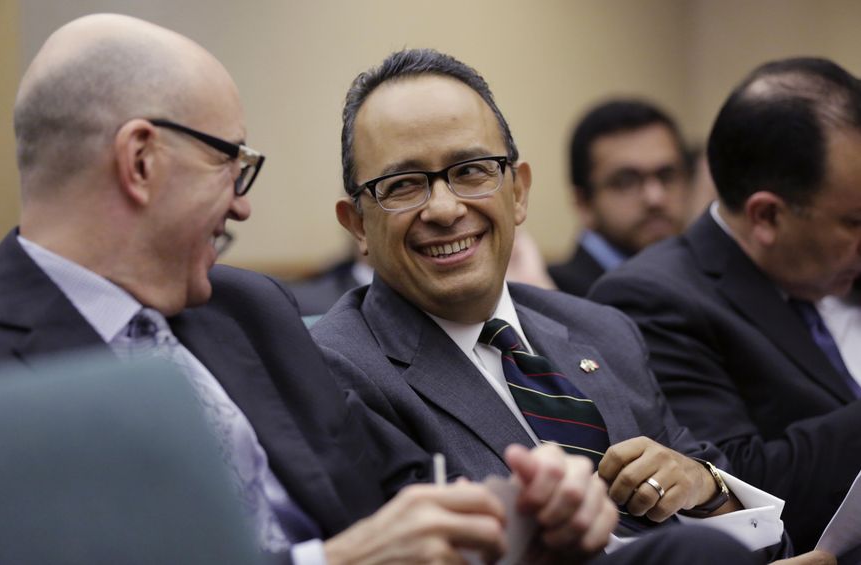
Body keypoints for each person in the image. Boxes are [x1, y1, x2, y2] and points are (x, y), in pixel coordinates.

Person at [0, 14, 619, 564]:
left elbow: (401, 486)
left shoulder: (248, 311)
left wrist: (527, 513)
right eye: (230, 163)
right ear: (141, 161)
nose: (242, 206)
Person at [310, 48, 797, 561]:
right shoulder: (336, 372)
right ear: (358, 225)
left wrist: (706, 491)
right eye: (403, 185)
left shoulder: (603, 330)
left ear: (518, 192)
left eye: (471, 171)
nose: (446, 209)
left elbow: (766, 543)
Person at [588, 57, 861, 552]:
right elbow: (741, 488)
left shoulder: (840, 264)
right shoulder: (653, 299)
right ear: (767, 217)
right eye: (854, 221)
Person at [548, 100, 690, 296]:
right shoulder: (553, 294)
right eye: (626, 182)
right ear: (583, 204)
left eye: (666, 176)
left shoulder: (705, 279)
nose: (655, 198)